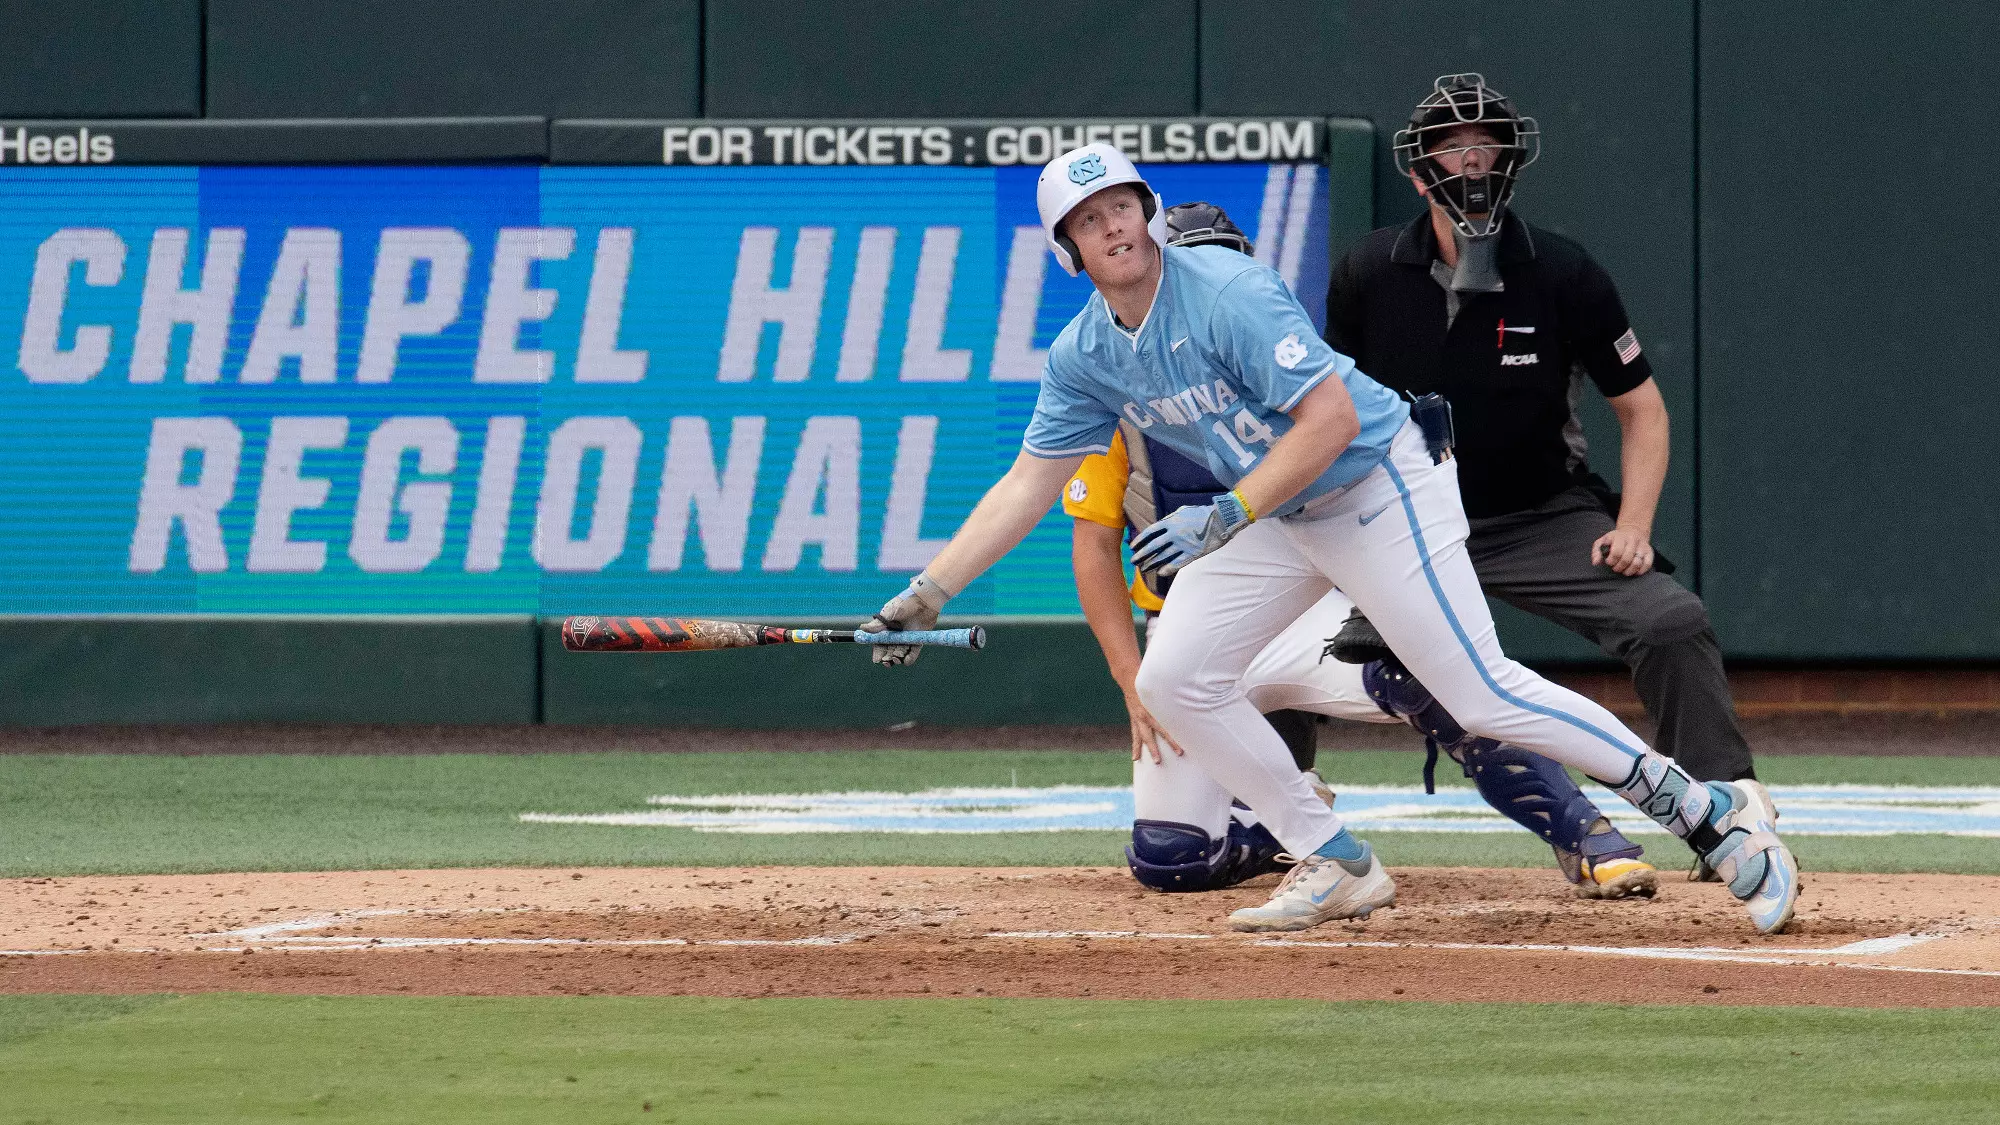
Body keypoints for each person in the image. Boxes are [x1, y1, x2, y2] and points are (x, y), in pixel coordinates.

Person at [863, 141, 1798, 935]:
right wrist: (928, 592)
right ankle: (1335, 856)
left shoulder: (1224, 287)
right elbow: (1027, 484)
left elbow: (1328, 420)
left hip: (1377, 480)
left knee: (1478, 689)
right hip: (1281, 512)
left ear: (1148, 212)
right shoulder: (1086, 353)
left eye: (1123, 204)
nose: (1113, 225)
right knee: (1173, 678)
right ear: (1067, 249)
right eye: (1088, 218)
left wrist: (1226, 515)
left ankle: (1705, 809)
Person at [1068, 201, 1656, 901]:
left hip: (1301, 617)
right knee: (1171, 857)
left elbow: (1356, 451)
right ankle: (1284, 819)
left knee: (1431, 674)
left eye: (1221, 264)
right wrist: (1132, 679)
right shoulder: (1119, 391)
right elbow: (1093, 548)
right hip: (1193, 630)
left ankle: (1579, 826)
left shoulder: (1279, 361)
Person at [1327, 75, 1763, 843]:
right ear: (1416, 167)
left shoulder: (1562, 271)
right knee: (1282, 630)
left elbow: (1643, 410)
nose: (1472, 162)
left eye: (1486, 144)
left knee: (1671, 620)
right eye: (1453, 147)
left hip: (1538, 517)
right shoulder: (1366, 271)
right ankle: (1271, 817)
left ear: (1512, 157)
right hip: (1401, 521)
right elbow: (1330, 415)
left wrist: (1633, 525)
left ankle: (1727, 811)